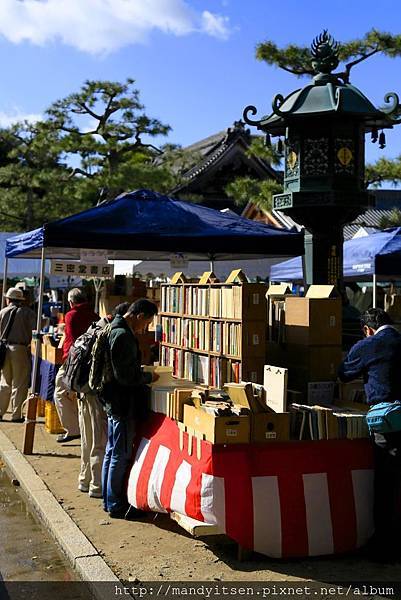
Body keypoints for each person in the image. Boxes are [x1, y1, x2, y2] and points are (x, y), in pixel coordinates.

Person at [338, 308, 401, 561]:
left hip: (388, 423)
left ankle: (384, 547)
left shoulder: (369, 344)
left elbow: (344, 374)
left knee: (385, 485)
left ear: (367, 328)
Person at [102, 298, 159, 519]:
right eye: (146, 323)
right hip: (122, 402)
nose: (145, 328)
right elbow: (125, 376)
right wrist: (148, 376)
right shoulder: (123, 335)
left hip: (113, 400)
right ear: (139, 315)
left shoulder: (113, 328)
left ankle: (109, 499)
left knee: (112, 451)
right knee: (120, 454)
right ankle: (116, 503)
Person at [78, 302, 130, 499]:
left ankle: (84, 479)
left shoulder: (93, 328)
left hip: (82, 392)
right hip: (95, 393)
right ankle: (97, 485)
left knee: (87, 439)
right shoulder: (108, 332)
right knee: (99, 441)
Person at [54, 288, 98, 443]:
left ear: (71, 302)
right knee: (79, 397)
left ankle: (73, 430)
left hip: (73, 361)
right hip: (89, 361)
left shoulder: (71, 315)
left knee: (59, 392)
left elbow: (73, 341)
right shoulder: (94, 315)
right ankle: (78, 429)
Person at [0, 287, 36, 422]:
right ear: (21, 299)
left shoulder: (2, 312)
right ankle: (16, 414)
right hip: (20, 348)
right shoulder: (27, 312)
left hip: (4, 348)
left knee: (4, 382)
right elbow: (35, 330)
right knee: (20, 383)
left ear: (8, 299)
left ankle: (0, 412)